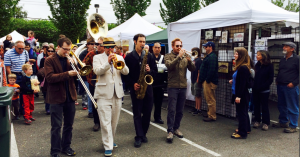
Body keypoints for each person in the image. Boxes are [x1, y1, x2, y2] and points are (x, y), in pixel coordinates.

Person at [93, 37, 129, 156]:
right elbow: (97, 71)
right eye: (107, 47)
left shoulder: (119, 57)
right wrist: (108, 63)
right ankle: (108, 145)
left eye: (111, 47)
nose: (110, 49)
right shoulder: (97, 57)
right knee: (105, 121)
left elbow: (126, 72)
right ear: (103, 47)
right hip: (103, 94)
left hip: (117, 93)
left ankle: (110, 140)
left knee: (114, 121)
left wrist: (121, 64)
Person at [45, 37, 78, 157]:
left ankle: (66, 147)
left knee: (69, 125)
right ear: (58, 47)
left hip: (70, 96)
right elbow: (50, 78)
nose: (67, 52)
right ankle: (55, 151)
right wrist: (67, 74)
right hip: (56, 97)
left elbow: (77, 76)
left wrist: (77, 66)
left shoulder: (69, 59)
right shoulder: (49, 60)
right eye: (65, 49)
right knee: (56, 126)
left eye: (69, 49)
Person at [124, 34, 157, 148]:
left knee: (147, 113)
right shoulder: (129, 57)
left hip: (147, 89)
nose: (143, 44)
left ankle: (143, 133)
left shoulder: (149, 56)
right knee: (137, 113)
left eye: (144, 41)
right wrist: (132, 84)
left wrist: (150, 71)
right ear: (135, 42)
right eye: (140, 41)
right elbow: (125, 74)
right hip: (136, 88)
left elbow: (155, 71)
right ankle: (138, 136)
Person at [164, 38, 196, 143]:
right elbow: (169, 66)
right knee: (171, 109)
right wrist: (178, 57)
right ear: (173, 46)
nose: (179, 48)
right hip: (172, 86)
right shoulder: (168, 56)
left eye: (180, 46)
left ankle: (176, 128)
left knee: (180, 110)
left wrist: (190, 61)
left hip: (182, 86)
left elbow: (192, 69)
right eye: (177, 46)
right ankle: (170, 131)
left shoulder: (184, 57)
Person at [274, 42, 299, 133]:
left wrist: (294, 83)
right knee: (281, 105)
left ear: (292, 49)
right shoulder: (283, 59)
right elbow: (280, 71)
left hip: (290, 87)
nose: (284, 48)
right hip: (280, 85)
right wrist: (277, 79)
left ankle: (293, 126)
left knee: (292, 106)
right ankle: (283, 122)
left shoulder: (297, 59)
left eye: (286, 47)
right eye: (283, 46)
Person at [82, 37, 104, 131]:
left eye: (100, 44)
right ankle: (96, 122)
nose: (97, 46)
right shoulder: (91, 54)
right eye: (96, 44)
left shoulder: (108, 55)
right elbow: (83, 63)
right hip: (93, 82)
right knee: (95, 103)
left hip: (104, 82)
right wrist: (89, 68)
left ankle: (104, 122)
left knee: (104, 104)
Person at [229, 47, 251, 139]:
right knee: (244, 112)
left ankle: (242, 133)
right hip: (241, 93)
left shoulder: (243, 68)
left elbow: (243, 84)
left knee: (241, 113)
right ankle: (246, 128)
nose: (235, 55)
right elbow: (240, 80)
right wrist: (233, 81)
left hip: (241, 94)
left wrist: (238, 96)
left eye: (237, 54)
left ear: (241, 55)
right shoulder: (242, 66)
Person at [4, 40, 30, 116]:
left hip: (23, 75)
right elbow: (7, 67)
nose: (21, 50)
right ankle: (15, 111)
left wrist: (27, 73)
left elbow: (27, 63)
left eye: (23, 48)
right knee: (15, 93)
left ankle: (23, 110)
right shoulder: (8, 53)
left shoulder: (25, 52)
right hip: (14, 75)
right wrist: (12, 78)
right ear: (15, 47)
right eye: (19, 48)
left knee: (24, 93)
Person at [252, 50, 274, 131]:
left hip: (264, 90)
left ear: (263, 56)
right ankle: (257, 120)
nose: (257, 56)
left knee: (264, 106)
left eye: (258, 55)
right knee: (256, 106)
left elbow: (270, 79)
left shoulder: (269, 66)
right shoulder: (257, 65)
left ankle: (265, 123)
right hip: (255, 89)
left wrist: (263, 86)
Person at [198, 41, 218, 122]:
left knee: (210, 99)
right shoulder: (210, 56)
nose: (205, 48)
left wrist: (207, 80)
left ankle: (212, 116)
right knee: (208, 98)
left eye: (206, 47)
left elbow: (211, 70)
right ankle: (210, 113)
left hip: (209, 82)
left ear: (210, 47)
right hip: (207, 81)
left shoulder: (212, 57)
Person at [78, 38, 95, 111]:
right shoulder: (83, 54)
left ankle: (94, 110)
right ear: (88, 45)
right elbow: (80, 66)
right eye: (92, 44)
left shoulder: (96, 53)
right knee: (89, 94)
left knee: (94, 94)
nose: (94, 45)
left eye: (94, 44)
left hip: (94, 76)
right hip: (86, 77)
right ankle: (90, 111)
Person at [39, 47, 55, 115]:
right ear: (46, 51)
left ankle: (53, 108)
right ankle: (48, 108)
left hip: (54, 77)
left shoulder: (56, 59)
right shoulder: (43, 59)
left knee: (53, 94)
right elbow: (40, 70)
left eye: (52, 51)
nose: (50, 52)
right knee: (46, 94)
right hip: (45, 78)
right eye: (49, 51)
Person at [152, 42, 165, 124]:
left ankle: (158, 117)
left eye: (159, 47)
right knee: (149, 103)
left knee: (159, 103)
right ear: (153, 48)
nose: (157, 49)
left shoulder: (163, 58)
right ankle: (146, 117)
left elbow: (164, 70)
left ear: (160, 48)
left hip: (160, 84)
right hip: (150, 84)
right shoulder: (149, 57)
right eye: (155, 47)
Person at [190, 48, 202, 116]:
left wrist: (198, 79)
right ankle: (196, 107)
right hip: (193, 78)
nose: (191, 53)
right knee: (195, 94)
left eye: (193, 52)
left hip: (196, 79)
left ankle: (199, 109)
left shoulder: (199, 60)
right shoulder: (194, 60)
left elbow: (199, 71)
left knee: (198, 95)